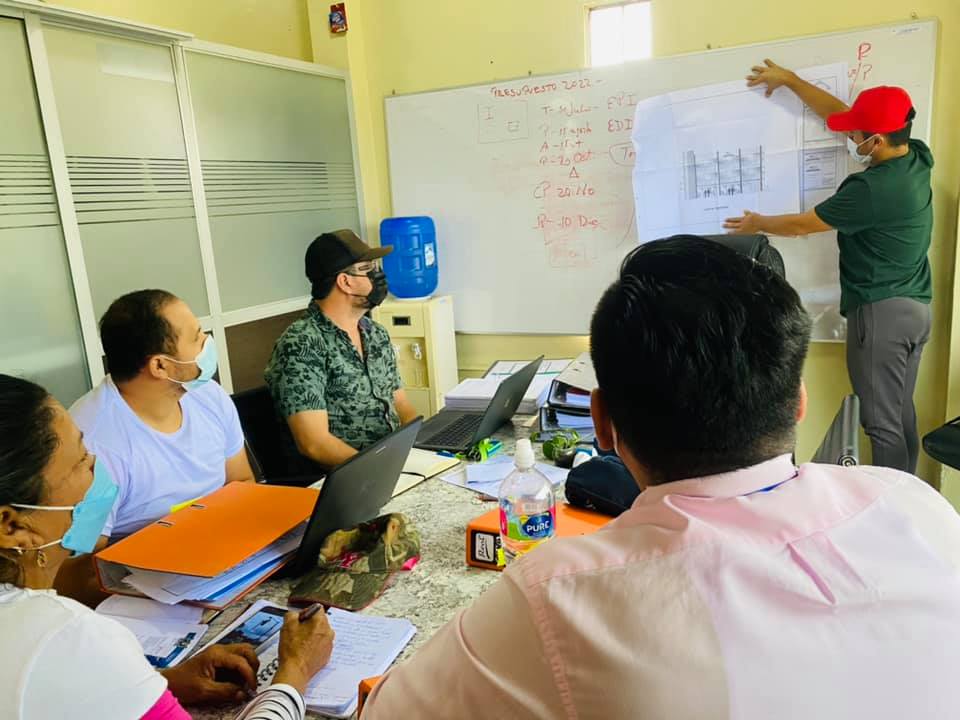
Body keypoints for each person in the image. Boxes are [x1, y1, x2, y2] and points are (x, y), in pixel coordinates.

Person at [362, 236, 960, 719]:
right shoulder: (913, 503)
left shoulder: (562, 595)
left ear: (602, 423)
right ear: (798, 399)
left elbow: (387, 711)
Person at [0, 373, 335, 719]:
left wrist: (157, 684)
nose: (97, 467)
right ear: (12, 526)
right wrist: (295, 672)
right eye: (81, 461)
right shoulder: (69, 637)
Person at [724, 60, 933, 474]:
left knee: (881, 424)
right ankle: (910, 495)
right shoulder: (917, 157)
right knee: (899, 415)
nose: (850, 136)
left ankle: (890, 504)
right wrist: (791, 81)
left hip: (881, 312)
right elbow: (839, 113)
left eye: (857, 134)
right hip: (914, 310)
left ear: (876, 141)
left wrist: (757, 223)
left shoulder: (872, 189)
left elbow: (804, 224)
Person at [57, 289, 255, 606]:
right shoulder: (92, 444)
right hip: (150, 592)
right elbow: (77, 574)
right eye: (197, 337)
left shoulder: (208, 396)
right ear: (161, 366)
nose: (207, 342)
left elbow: (242, 482)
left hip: (226, 559)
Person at [265, 230, 419, 472]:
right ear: (345, 282)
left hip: (389, 465)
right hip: (343, 477)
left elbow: (401, 404)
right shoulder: (302, 344)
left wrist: (418, 450)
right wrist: (378, 470)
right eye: (367, 268)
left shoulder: (375, 333)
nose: (378, 275)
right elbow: (314, 443)